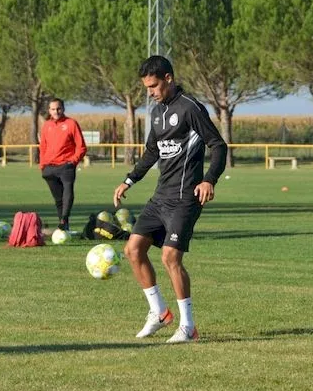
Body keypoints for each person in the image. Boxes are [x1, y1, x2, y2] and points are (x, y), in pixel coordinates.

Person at [113, 55, 227, 343]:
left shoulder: (190, 109)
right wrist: (129, 180)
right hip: (160, 196)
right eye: (146, 88)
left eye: (153, 86)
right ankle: (160, 313)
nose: (150, 92)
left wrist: (208, 179)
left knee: (169, 257)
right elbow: (153, 151)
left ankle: (188, 327)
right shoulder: (157, 113)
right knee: (133, 250)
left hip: (185, 198)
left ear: (168, 78)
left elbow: (218, 145)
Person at [39, 98, 87, 231]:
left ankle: (64, 218)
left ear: (63, 108)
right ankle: (63, 226)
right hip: (49, 168)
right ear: (49, 110)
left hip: (66, 166)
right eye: (53, 109)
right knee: (58, 199)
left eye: (58, 108)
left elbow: (81, 146)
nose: (56, 111)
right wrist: (42, 165)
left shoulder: (71, 124)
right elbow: (43, 146)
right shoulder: (46, 125)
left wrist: (73, 161)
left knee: (67, 193)